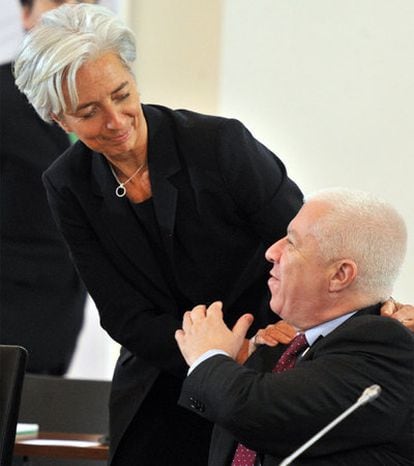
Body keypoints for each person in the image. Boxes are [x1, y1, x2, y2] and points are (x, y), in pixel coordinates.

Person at [12, 3, 414, 465]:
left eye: (121, 94)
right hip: (160, 372)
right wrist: (206, 352)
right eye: (88, 112)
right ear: (59, 120)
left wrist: (369, 308)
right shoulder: (67, 184)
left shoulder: (219, 144)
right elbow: (122, 313)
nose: (116, 120)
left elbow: (303, 247)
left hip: (266, 360)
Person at [175, 188, 414, 465]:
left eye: (291, 242)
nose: (271, 252)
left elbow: (256, 413)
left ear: (340, 274)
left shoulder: (384, 345)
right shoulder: (281, 345)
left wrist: (208, 356)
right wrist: (231, 361)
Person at [0, 0, 93, 375]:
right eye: (56, 0)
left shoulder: (101, 105)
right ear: (25, 15)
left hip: (62, 315)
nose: (70, 11)